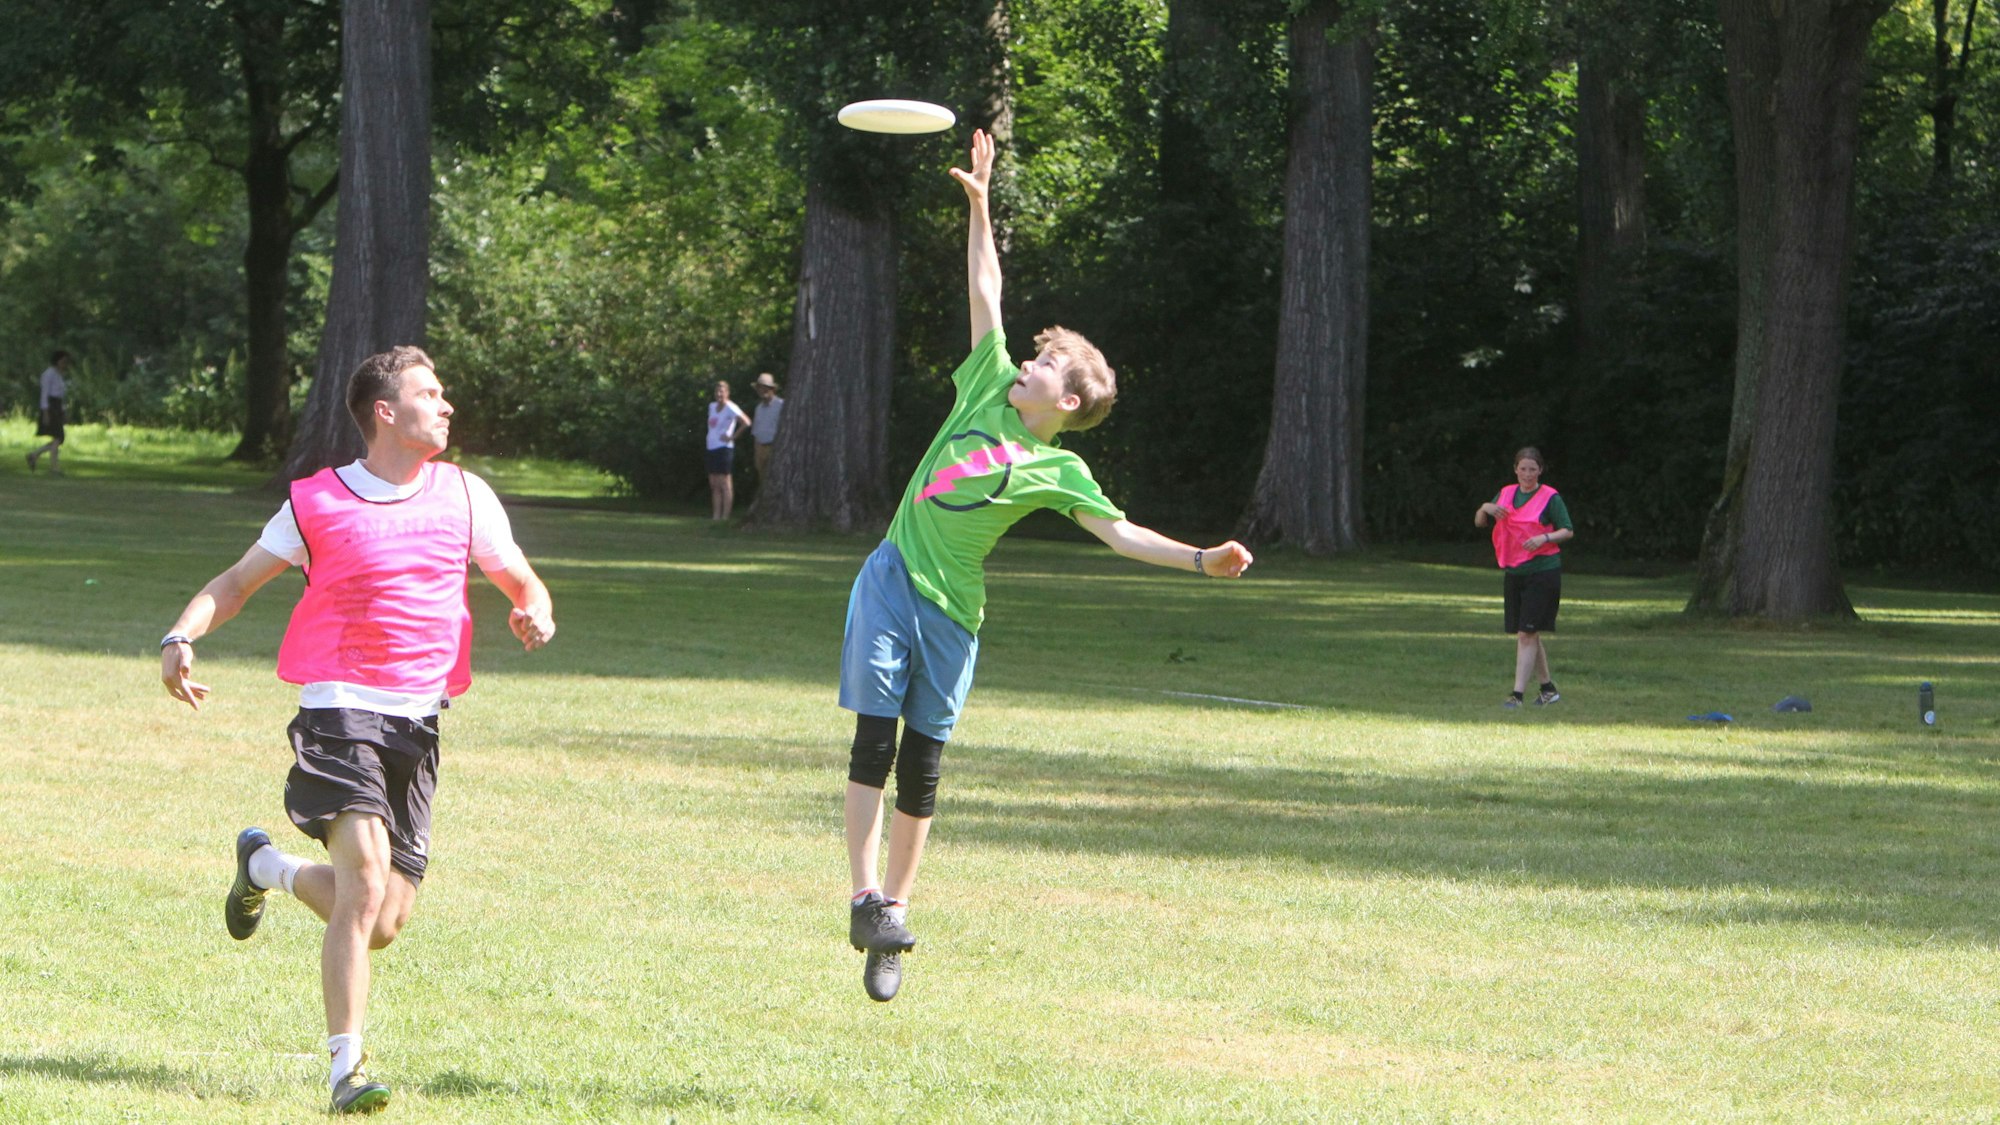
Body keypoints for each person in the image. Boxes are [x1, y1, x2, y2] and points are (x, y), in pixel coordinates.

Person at [838, 129, 1254, 1004]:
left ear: (1066, 403)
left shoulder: (1060, 469)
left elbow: (1120, 533)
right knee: (874, 739)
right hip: (890, 579)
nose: (1026, 362)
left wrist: (1200, 558)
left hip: (954, 616)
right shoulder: (986, 384)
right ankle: (863, 896)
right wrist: (981, 205)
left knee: (923, 767)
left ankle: (896, 918)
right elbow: (985, 290)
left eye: (1044, 364)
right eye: (1032, 356)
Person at [158, 346, 555, 1114]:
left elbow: (520, 578)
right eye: (428, 393)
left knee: (381, 919)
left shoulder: (468, 496)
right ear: (385, 411)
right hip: (339, 707)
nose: (445, 406)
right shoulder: (318, 502)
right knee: (366, 878)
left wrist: (534, 605)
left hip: (418, 718)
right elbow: (235, 583)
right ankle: (346, 1068)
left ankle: (264, 867)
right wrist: (180, 635)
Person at [1473, 446, 1573, 709]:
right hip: (1514, 571)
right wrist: (1486, 507)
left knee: (1526, 634)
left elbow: (1567, 530)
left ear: (1540, 470)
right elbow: (1480, 521)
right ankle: (1548, 689)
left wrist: (1544, 537)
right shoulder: (1506, 493)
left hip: (1543, 571)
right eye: (1523, 468)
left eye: (1533, 469)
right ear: (1515, 469)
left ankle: (1516, 695)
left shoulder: (1550, 497)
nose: (1527, 474)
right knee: (1528, 632)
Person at [705, 380, 752, 520]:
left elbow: (746, 422)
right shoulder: (712, 406)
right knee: (714, 482)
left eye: (722, 391)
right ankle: (716, 516)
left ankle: (725, 516)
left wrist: (732, 437)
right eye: (717, 391)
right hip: (711, 446)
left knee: (724, 482)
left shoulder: (731, 408)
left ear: (727, 393)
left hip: (724, 448)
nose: (719, 394)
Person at [27, 349, 69, 475]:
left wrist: (63, 411)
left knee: (59, 438)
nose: (65, 364)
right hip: (50, 407)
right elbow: (44, 394)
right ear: (57, 361)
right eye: (63, 361)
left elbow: (60, 395)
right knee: (58, 437)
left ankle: (34, 455)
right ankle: (54, 467)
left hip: (56, 406)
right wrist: (45, 412)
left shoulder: (59, 375)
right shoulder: (48, 374)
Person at [750, 372, 784, 483]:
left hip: (774, 447)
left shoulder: (781, 405)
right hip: (761, 448)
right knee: (763, 481)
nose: (762, 390)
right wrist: (757, 453)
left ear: (772, 389)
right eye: (760, 388)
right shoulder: (758, 408)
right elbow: (756, 431)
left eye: (765, 388)